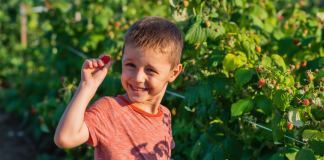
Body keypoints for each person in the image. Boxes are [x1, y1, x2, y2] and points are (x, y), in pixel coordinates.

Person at [54, 16, 183, 160]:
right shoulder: (109, 110)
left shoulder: (165, 116)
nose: (138, 78)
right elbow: (65, 138)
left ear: (174, 73)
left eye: (150, 70)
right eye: (130, 65)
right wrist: (87, 86)